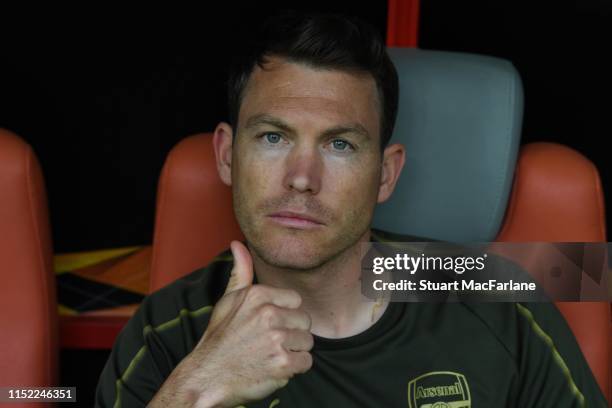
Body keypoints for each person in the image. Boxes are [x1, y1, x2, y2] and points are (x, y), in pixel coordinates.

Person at [95, 11, 607, 407]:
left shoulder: (496, 296)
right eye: (273, 137)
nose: (302, 177)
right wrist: (199, 388)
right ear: (228, 155)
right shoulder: (166, 332)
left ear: (385, 174)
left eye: (340, 145)